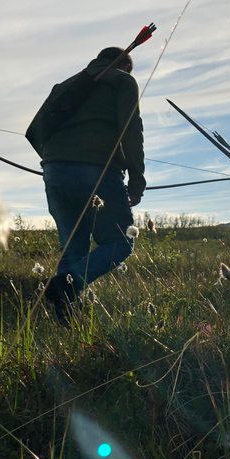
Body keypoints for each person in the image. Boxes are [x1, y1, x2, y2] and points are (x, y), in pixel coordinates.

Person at [26, 47, 145, 323]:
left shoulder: (67, 85)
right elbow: (131, 130)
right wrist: (137, 178)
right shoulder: (122, 80)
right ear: (126, 65)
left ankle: (67, 321)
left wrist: (54, 160)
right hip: (98, 170)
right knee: (121, 242)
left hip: (54, 172)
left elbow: (35, 131)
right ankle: (65, 285)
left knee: (73, 248)